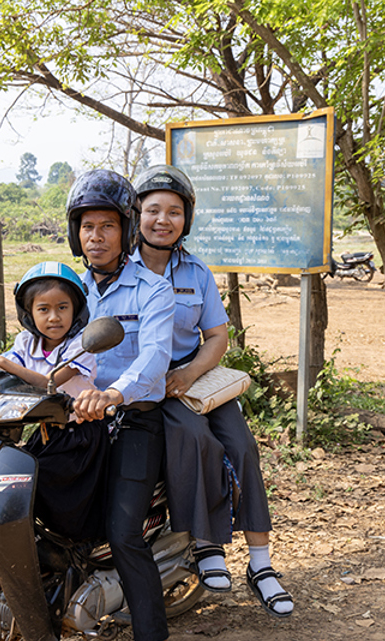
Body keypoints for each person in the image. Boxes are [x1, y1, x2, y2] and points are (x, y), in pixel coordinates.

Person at [131, 164, 294, 618]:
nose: (163, 220)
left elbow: (217, 337)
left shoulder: (196, 271)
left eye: (175, 212)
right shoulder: (120, 270)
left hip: (194, 377)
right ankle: (207, 544)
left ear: (188, 219)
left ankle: (261, 564)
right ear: (136, 215)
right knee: (196, 441)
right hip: (149, 384)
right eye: (153, 210)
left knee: (242, 446)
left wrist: (189, 375)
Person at [67, 169, 175, 641]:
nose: (96, 237)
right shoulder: (69, 288)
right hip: (75, 418)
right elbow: (40, 337)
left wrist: (114, 394)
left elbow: (153, 358)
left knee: (123, 531)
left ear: (126, 231)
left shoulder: (154, 289)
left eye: (107, 226)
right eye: (87, 227)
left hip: (133, 420)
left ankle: (152, 632)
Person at [0, 261, 108, 541]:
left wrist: (3, 361)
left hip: (79, 439)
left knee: (42, 493)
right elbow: (4, 370)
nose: (54, 317)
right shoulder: (26, 343)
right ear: (29, 314)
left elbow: (48, 383)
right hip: (45, 433)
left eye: (62, 307)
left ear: (77, 310)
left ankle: (71, 550)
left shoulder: (82, 346)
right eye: (43, 309)